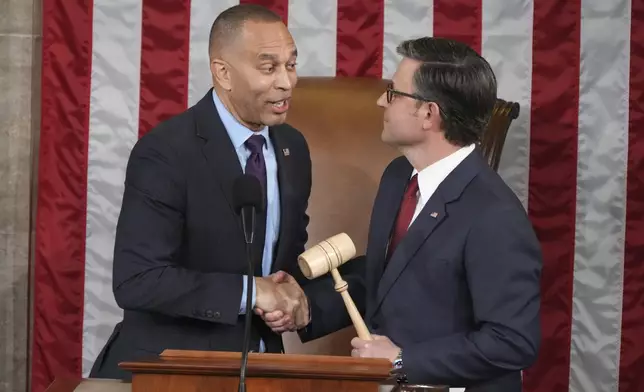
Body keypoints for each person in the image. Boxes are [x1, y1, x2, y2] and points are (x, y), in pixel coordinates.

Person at [257, 37, 542, 392]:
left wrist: (404, 362)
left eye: (393, 93)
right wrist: (306, 306)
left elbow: (512, 342)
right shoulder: (398, 177)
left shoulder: (494, 216)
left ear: (428, 113)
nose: (380, 101)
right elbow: (388, 278)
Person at [89, 4, 311, 380]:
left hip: (262, 371)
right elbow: (137, 281)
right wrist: (251, 292)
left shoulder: (293, 147)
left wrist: (299, 299)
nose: (287, 82)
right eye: (268, 67)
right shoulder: (166, 151)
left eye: (290, 64)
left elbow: (283, 261)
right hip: (173, 371)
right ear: (223, 72)